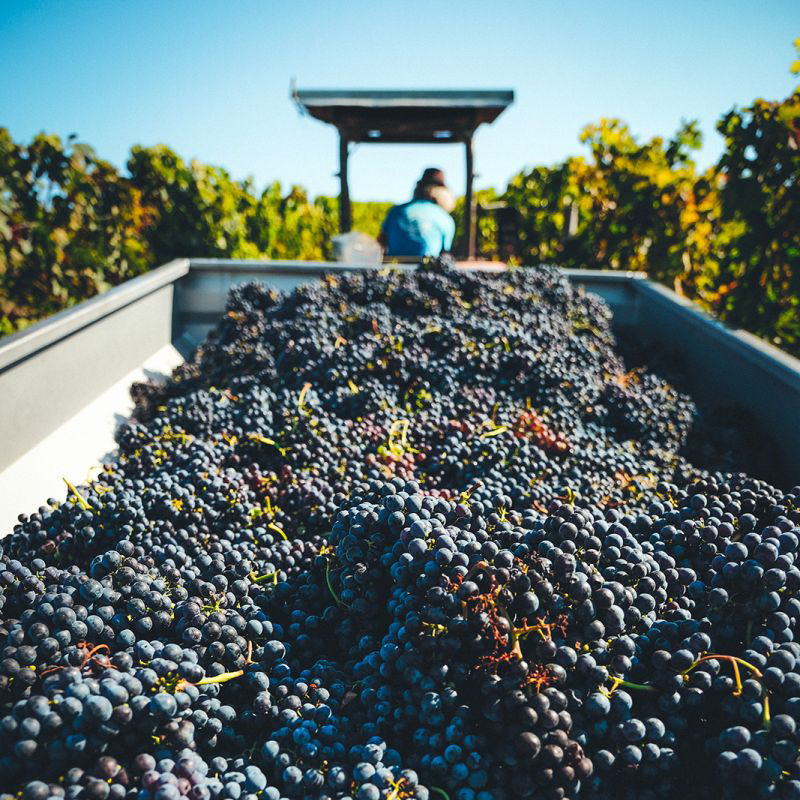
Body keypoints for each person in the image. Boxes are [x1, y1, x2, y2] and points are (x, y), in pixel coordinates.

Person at [379, 168, 456, 258]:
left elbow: (381, 241)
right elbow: (444, 253)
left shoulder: (395, 211)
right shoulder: (444, 218)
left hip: (393, 266)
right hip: (426, 268)